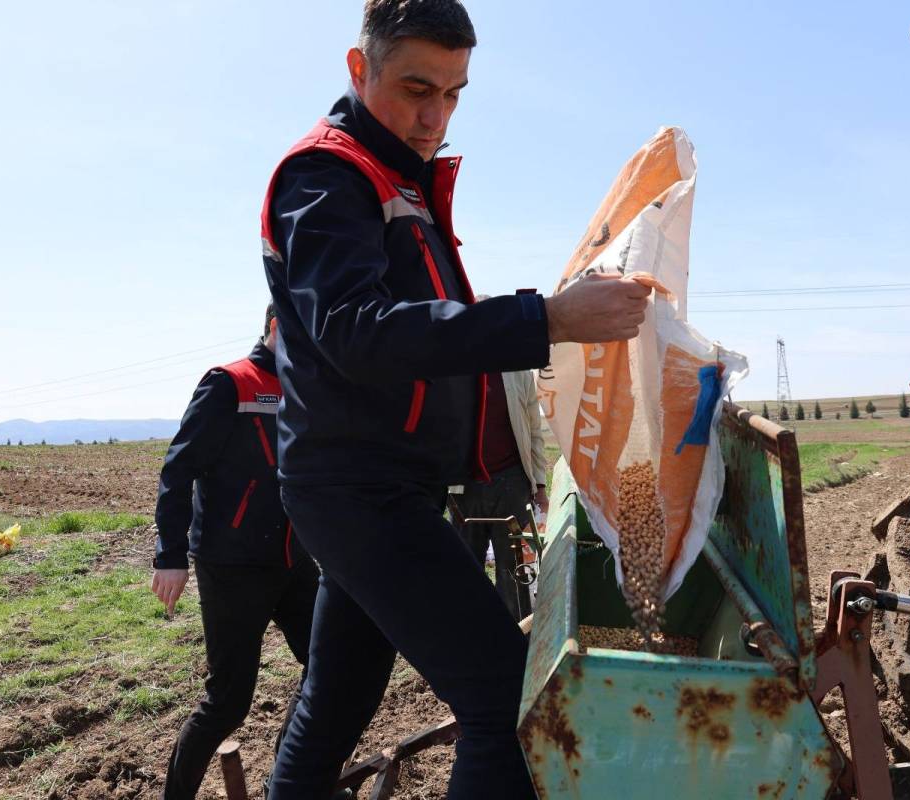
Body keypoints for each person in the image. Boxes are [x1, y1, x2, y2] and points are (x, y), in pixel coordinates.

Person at [259, 2, 650, 797]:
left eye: (455, 94)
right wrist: (543, 318)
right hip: (359, 492)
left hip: (376, 483)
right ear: (358, 67)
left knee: (336, 704)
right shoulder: (327, 177)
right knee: (505, 704)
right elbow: (356, 332)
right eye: (415, 89)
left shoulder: (395, 178)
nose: (434, 117)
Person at [150, 306, 319, 800]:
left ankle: (289, 783)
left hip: (294, 558)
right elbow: (177, 471)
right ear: (273, 326)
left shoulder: (304, 387)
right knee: (228, 702)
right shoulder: (229, 384)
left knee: (327, 668)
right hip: (232, 566)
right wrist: (170, 555)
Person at [450, 358, 548, 620]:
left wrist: (539, 484)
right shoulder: (450, 365)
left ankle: (515, 640)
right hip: (463, 490)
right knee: (465, 569)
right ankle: (469, 634)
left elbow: (534, 431)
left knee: (513, 572)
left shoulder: (517, 371)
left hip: (511, 483)